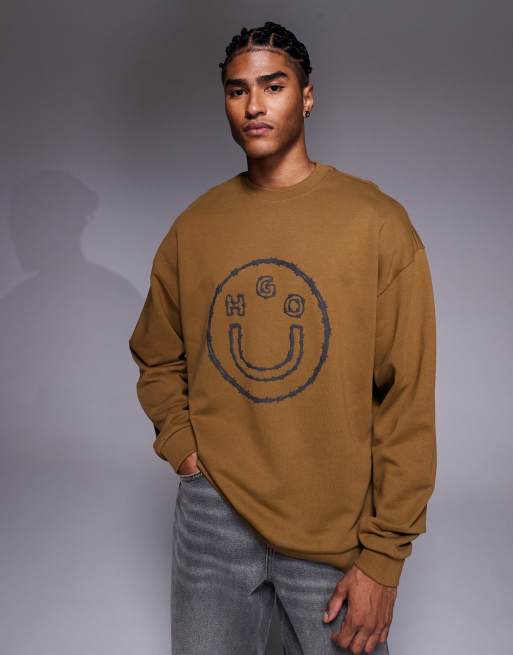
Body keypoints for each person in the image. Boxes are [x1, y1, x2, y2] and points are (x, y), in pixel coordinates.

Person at [128, 20, 437, 655]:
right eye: (237, 90)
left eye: (273, 86)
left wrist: (384, 557)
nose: (254, 105)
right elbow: (157, 355)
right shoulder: (195, 227)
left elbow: (406, 399)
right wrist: (184, 449)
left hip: (333, 528)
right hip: (213, 518)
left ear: (307, 96)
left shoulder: (377, 224)